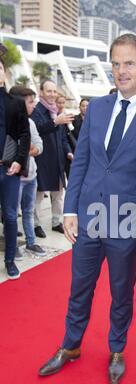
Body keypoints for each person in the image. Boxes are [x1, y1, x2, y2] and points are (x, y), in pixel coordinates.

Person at [38, 34, 136, 384]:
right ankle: (71, 345)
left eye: (128, 63)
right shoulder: (96, 107)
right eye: (115, 63)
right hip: (89, 217)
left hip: (127, 222)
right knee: (79, 286)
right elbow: (81, 162)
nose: (121, 71)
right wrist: (70, 210)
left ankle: (116, 349)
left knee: (121, 290)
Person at [31, 79, 74, 238]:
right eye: (49, 91)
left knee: (58, 194)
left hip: (58, 160)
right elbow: (38, 129)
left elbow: (63, 138)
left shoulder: (56, 111)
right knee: (39, 195)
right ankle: (35, 224)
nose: (52, 94)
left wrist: (68, 152)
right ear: (41, 92)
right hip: (42, 160)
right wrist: (55, 122)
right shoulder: (36, 111)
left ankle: (56, 221)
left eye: (54, 91)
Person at [0, 58, 30, 279]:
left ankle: (10, 260)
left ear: (5, 73)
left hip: (8, 169)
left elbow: (24, 135)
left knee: (11, 217)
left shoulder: (15, 103)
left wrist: (19, 161)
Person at [9, 86, 46, 258]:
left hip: (31, 175)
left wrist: (27, 150)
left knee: (28, 211)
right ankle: (12, 246)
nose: (33, 105)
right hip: (13, 176)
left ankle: (31, 242)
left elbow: (39, 145)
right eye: (30, 102)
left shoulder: (30, 123)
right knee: (12, 213)